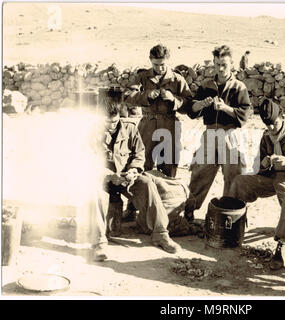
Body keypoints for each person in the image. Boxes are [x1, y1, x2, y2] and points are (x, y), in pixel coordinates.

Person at [92, 88, 181, 261]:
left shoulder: (130, 129)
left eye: (114, 121)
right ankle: (99, 243)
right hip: (102, 179)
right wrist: (108, 175)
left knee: (147, 183)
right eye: (105, 122)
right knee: (93, 193)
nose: (110, 126)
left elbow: (139, 153)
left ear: (119, 116)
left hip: (126, 177)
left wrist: (133, 170)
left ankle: (160, 234)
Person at [228, 98, 285, 270]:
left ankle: (282, 244)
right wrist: (264, 164)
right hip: (270, 177)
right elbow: (258, 166)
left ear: (281, 117)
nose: (271, 128)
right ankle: (233, 232)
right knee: (239, 182)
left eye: (273, 124)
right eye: (267, 125)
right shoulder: (266, 137)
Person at [184, 45, 252, 221]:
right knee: (200, 173)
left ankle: (232, 215)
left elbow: (245, 115)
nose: (220, 69)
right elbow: (191, 110)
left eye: (224, 65)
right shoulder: (206, 85)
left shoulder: (239, 87)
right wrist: (201, 104)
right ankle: (189, 210)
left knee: (233, 176)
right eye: (217, 64)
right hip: (209, 135)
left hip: (231, 135)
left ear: (231, 64)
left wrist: (226, 108)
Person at [124, 44, 192, 177]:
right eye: (156, 65)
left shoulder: (177, 79)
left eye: (163, 64)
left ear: (168, 60)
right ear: (150, 60)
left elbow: (189, 105)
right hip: (147, 124)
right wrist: (146, 95)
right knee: (141, 162)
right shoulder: (142, 77)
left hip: (169, 124)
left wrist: (173, 99)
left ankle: (166, 196)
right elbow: (127, 96)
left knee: (169, 164)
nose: (159, 68)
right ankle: (140, 196)